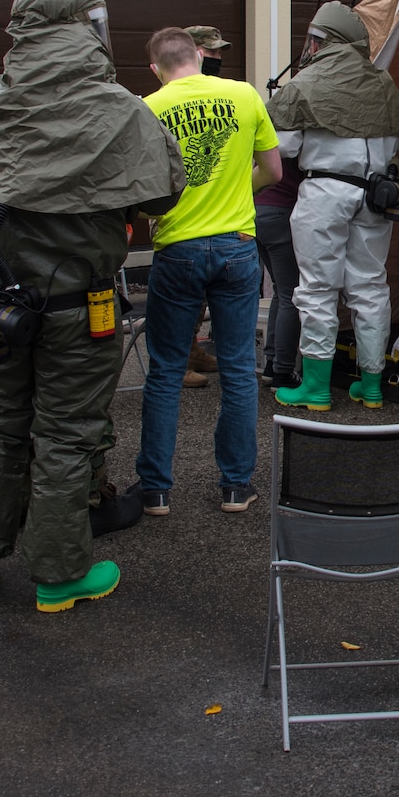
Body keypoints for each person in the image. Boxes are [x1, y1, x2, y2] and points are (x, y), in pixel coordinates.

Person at [0, 0, 185, 613]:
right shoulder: (116, 110)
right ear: (87, 27)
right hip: (82, 308)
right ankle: (58, 574)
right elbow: (166, 190)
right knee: (67, 434)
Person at [135, 26, 281, 515]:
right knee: (239, 369)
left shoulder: (149, 106)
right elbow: (274, 171)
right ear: (199, 56)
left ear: (156, 69)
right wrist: (239, 193)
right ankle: (237, 487)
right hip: (238, 245)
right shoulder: (243, 94)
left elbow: (136, 187)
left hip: (177, 248)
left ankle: (155, 490)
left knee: (166, 370)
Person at [268, 2, 399, 411]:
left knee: (318, 289)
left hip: (324, 194)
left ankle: (317, 388)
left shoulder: (308, 80)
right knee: (371, 287)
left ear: (320, 40)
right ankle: (371, 386)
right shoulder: (382, 81)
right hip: (376, 195)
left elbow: (282, 147)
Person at [179, 25, 234, 389]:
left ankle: (194, 350)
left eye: (218, 52)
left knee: (202, 291)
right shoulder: (175, 93)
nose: (216, 59)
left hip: (214, 205)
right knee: (184, 289)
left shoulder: (221, 94)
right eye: (209, 52)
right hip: (182, 206)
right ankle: (176, 360)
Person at [254, 156, 305, 391]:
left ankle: (271, 364)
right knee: (291, 295)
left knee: (280, 291)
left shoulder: (271, 131)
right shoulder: (295, 136)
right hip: (280, 212)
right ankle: (283, 372)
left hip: (257, 211)